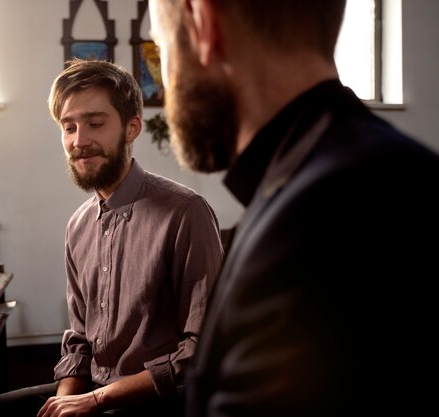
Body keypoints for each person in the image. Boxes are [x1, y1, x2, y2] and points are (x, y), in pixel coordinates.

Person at [148, 0, 439, 416]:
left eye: (162, 49)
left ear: (202, 23)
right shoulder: (365, 172)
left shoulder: (315, 222)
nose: (164, 83)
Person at [0, 59, 224, 417]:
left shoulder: (186, 212)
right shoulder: (78, 225)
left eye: (95, 123)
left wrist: (96, 401)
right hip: (93, 392)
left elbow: (205, 348)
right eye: (68, 126)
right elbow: (79, 343)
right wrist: (66, 402)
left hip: (158, 401)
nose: (79, 140)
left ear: (132, 127)